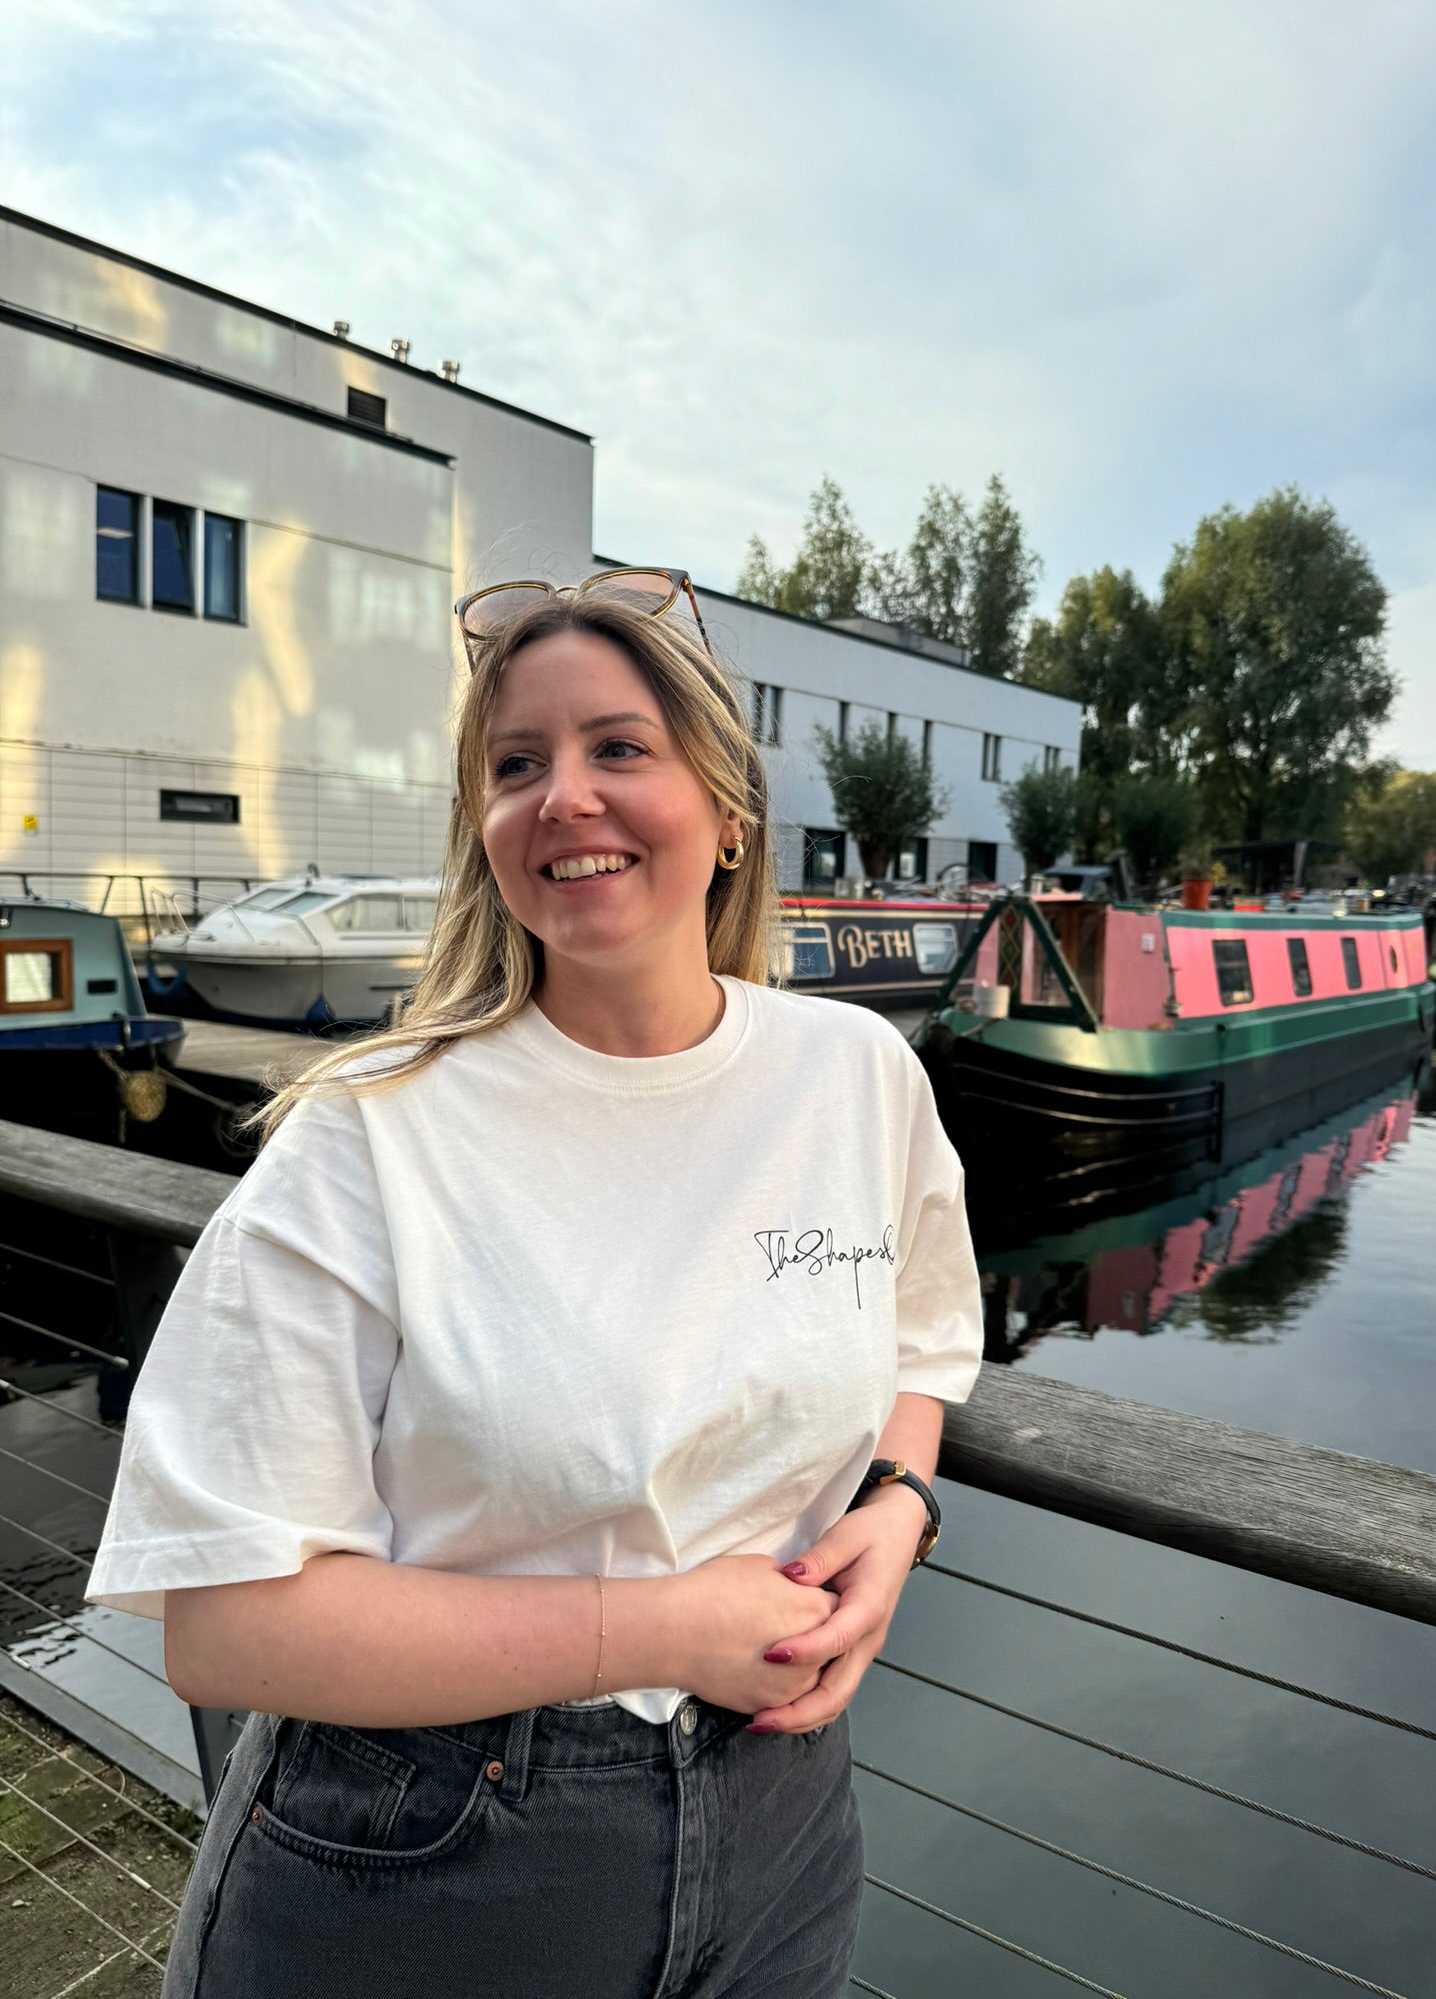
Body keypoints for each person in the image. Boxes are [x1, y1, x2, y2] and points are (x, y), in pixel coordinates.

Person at [85, 567, 984, 1998]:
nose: (563, 795)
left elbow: (924, 1342)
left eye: (618, 747)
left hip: (786, 1812)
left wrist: (901, 1506)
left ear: (729, 810)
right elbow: (228, 1622)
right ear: (485, 834)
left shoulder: (855, 1075)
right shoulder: (372, 1131)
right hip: (436, 1845)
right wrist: (665, 1625)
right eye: (516, 766)